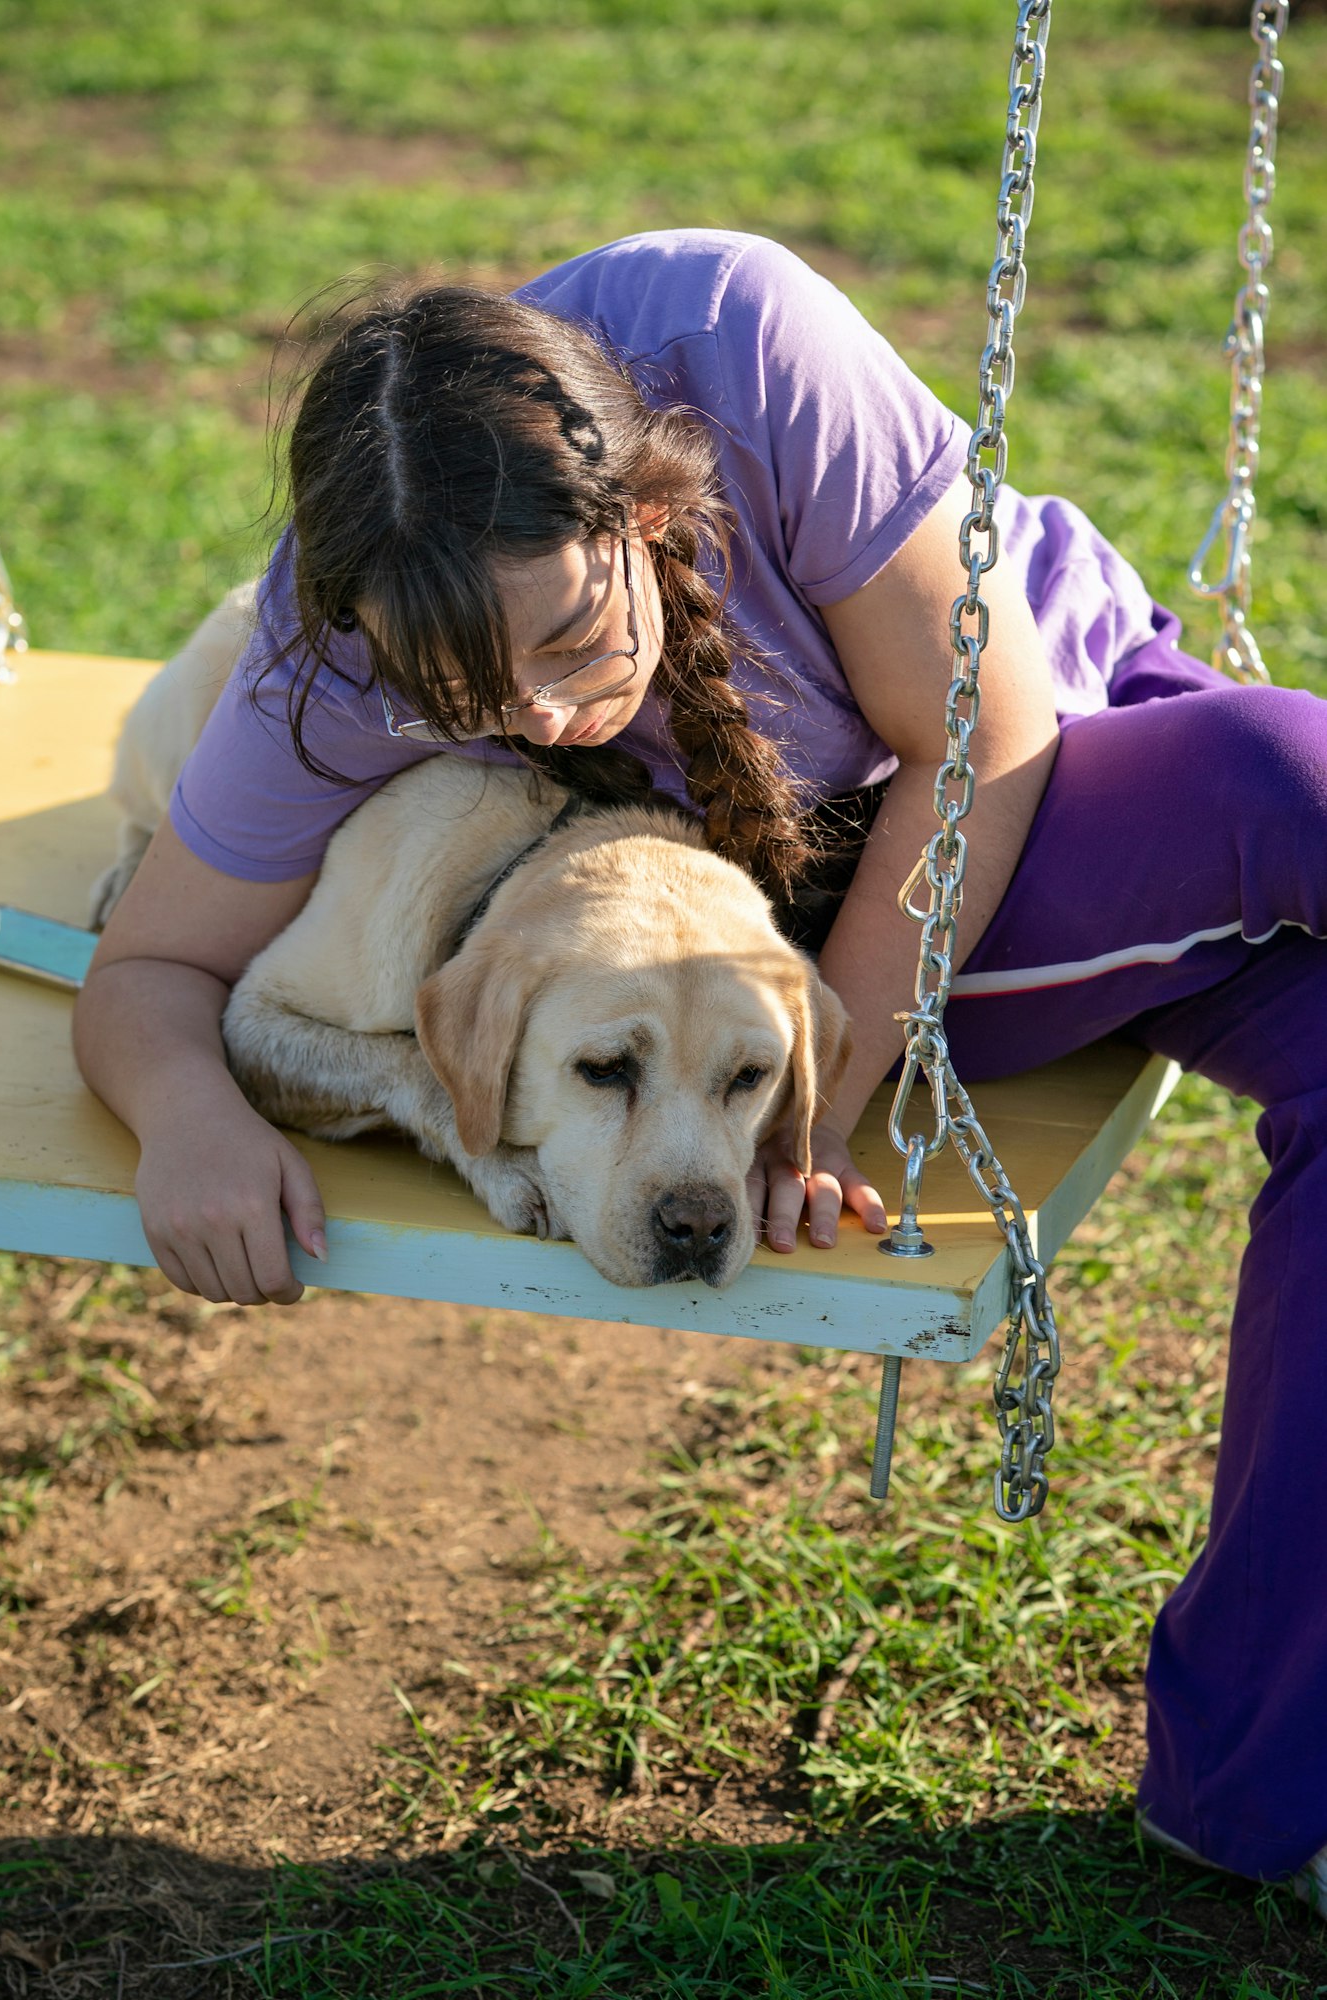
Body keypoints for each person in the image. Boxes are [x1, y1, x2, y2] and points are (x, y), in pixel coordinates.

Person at [73, 229, 1327, 1903]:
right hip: (818, 926)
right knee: (1280, 778)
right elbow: (149, 969)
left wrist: (828, 1087)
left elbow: (993, 735)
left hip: (1019, 757)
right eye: (476, 696)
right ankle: (1270, 1792)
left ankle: (1257, 1787)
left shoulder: (735, 337)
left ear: (642, 515)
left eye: (568, 643)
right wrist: (186, 1117)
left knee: (1269, 776)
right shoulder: (345, 640)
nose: (546, 714)